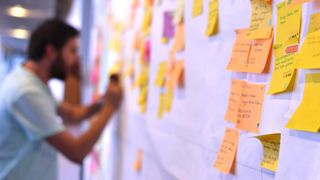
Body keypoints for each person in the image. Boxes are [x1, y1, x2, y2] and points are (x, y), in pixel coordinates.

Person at [0, 18, 122, 180]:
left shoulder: (32, 81)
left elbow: (71, 114)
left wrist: (101, 104)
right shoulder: (26, 91)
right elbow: (76, 152)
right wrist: (109, 109)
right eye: (72, 51)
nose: (76, 60)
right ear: (51, 52)